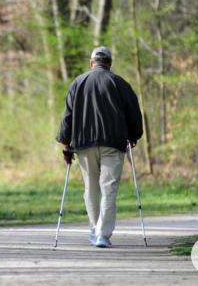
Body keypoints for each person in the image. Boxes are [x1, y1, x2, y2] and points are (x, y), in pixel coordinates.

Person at [56, 46, 144, 248]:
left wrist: (66, 144)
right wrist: (134, 135)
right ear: (109, 63)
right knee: (109, 189)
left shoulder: (78, 83)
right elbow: (134, 113)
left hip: (84, 144)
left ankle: (96, 229)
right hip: (113, 143)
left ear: (91, 63)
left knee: (91, 189)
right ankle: (102, 235)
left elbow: (68, 116)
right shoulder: (119, 83)